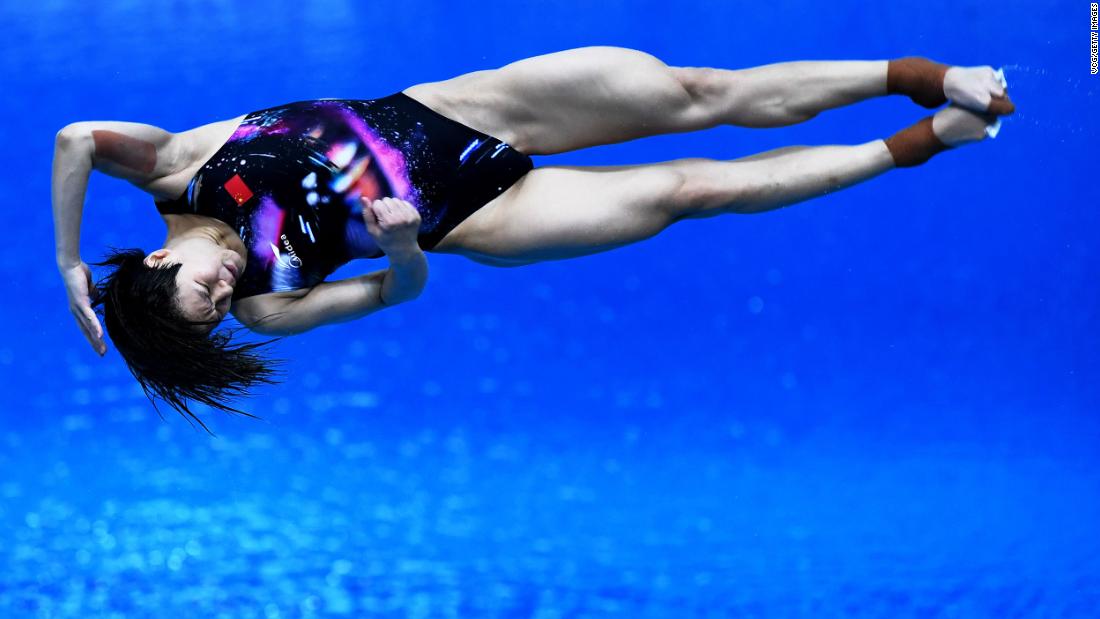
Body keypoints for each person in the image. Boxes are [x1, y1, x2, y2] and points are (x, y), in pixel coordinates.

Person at [52, 46, 1015, 432]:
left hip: (473, 109)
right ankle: (924, 139)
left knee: (697, 96)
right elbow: (399, 296)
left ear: (150, 257)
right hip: (482, 220)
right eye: (217, 304)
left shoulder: (179, 163)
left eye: (201, 282)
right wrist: (399, 250)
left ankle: (928, 78)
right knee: (691, 192)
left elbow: (77, 139)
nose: (226, 284)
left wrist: (65, 261)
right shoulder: (267, 302)